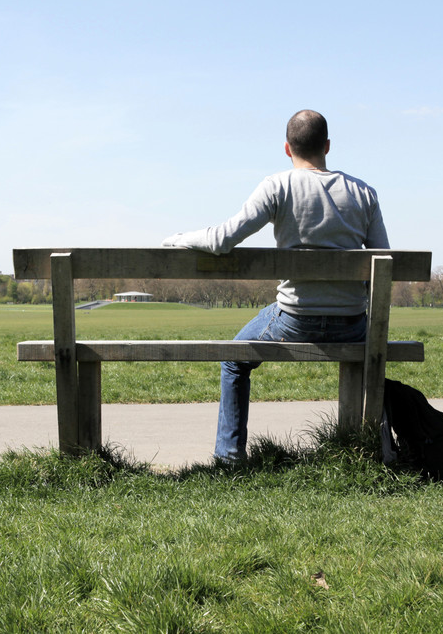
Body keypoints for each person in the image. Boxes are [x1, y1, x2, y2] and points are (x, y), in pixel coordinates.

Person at [163, 109, 390, 462]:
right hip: (352, 323)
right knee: (373, 360)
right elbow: (382, 262)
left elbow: (222, 239)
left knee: (233, 359)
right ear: (327, 146)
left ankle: (229, 457)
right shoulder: (364, 193)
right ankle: (376, 452)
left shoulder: (277, 185)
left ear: (287, 149)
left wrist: (178, 239)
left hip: (295, 319)